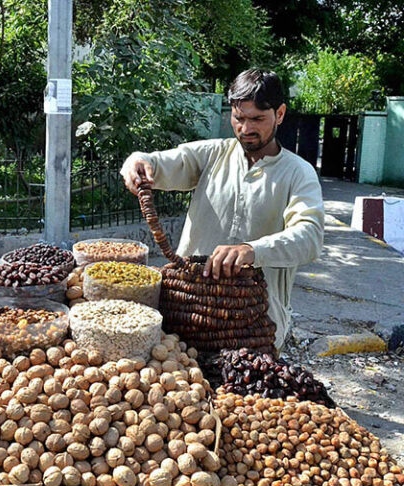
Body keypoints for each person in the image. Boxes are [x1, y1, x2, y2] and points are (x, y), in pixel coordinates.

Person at [120, 69, 324, 350]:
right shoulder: (214, 154)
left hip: (255, 325)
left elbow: (309, 237)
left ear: (280, 114)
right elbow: (164, 162)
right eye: (239, 118)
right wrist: (137, 160)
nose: (246, 129)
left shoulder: (299, 173)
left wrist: (253, 250)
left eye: (257, 119)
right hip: (187, 312)